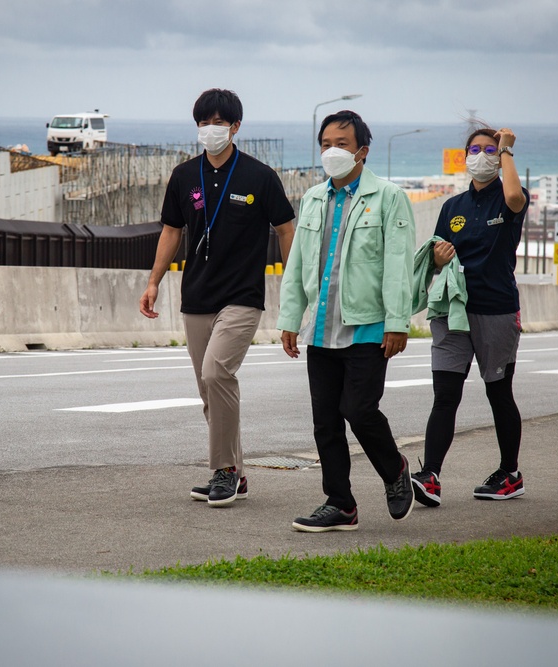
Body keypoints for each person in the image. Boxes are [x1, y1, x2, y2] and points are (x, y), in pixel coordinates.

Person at [140, 88, 295, 507]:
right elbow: (172, 231)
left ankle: (223, 471)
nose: (210, 130)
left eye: (218, 122)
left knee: (216, 374)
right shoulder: (184, 175)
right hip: (197, 295)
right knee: (211, 390)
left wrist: (294, 282)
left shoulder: (259, 176)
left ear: (236, 127)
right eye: (203, 123)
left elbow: (285, 228)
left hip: (243, 296)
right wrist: (154, 281)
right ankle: (236, 474)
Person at [277, 110, 416, 532]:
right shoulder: (315, 199)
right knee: (325, 422)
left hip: (369, 326)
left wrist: (398, 322)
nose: (331, 152)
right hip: (321, 327)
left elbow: (397, 265)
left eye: (340, 144)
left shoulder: (388, 197)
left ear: (362, 151)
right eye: (325, 145)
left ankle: (394, 470)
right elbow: (298, 263)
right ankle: (340, 503)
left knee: (358, 409)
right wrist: (289, 318)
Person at [411, 126, 529, 508]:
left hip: (495, 309)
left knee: (499, 393)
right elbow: (435, 253)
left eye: (489, 150)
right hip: (452, 311)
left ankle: (510, 473)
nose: (481, 155)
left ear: (499, 156)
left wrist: (507, 151)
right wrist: (437, 257)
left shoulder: (509, 197)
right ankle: (430, 475)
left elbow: (513, 196)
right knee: (445, 394)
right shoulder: (452, 207)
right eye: (474, 149)